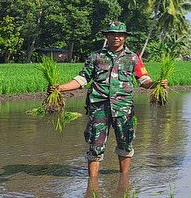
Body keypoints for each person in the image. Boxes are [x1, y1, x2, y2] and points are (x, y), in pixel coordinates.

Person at [54, 21, 167, 178]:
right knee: (95, 145)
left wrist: (157, 84)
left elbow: (144, 80)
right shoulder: (96, 56)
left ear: (125, 37)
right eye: (113, 34)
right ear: (107, 36)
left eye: (120, 35)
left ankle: (124, 181)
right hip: (99, 108)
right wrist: (61, 88)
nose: (117, 37)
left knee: (125, 144)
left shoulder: (133, 58)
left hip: (123, 108)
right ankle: (92, 183)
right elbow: (82, 79)